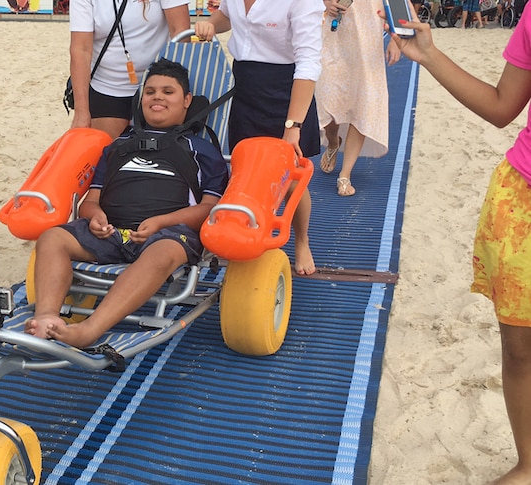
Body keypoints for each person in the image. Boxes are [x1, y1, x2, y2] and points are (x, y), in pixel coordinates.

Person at [385, 10, 531, 485]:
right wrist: (429, 55)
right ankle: (529, 464)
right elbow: (502, 106)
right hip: (522, 204)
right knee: (520, 349)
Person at [25, 59, 229, 348]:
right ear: (141, 100)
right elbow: (91, 200)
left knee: (161, 254)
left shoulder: (202, 150)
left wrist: (162, 222)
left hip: (168, 234)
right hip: (111, 232)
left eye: (168, 91)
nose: (157, 96)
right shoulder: (117, 146)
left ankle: (91, 329)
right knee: (51, 238)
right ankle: (47, 317)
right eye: (150, 92)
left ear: (187, 101)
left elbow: (209, 208)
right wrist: (95, 216)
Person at [193, 0, 324, 275]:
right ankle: (250, 236)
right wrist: (211, 25)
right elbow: (228, 16)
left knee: (290, 179)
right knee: (246, 171)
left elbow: (309, 63)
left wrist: (293, 125)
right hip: (244, 86)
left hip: (286, 90)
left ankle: (302, 241)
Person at [68, 0, 191, 140]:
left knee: (159, 154)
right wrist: (81, 111)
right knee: (108, 155)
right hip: (106, 85)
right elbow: (80, 49)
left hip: (156, 87)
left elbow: (180, 31)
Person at [318, 0, 402, 196]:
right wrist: (325, 2)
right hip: (332, 34)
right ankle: (332, 141)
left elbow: (399, 2)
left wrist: (396, 38)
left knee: (362, 100)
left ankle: (345, 174)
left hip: (368, 36)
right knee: (326, 101)